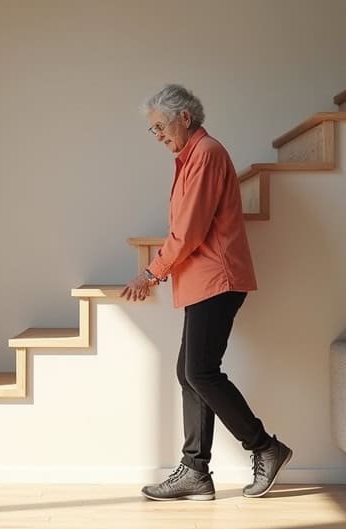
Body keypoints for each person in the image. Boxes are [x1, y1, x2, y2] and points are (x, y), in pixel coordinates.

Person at [121, 84, 292, 501]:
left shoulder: (207, 154)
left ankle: (266, 448)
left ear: (185, 117)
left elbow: (190, 231)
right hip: (203, 281)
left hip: (218, 279)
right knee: (190, 373)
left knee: (200, 372)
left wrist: (151, 272)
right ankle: (196, 470)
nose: (158, 135)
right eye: (152, 130)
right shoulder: (191, 157)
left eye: (161, 126)